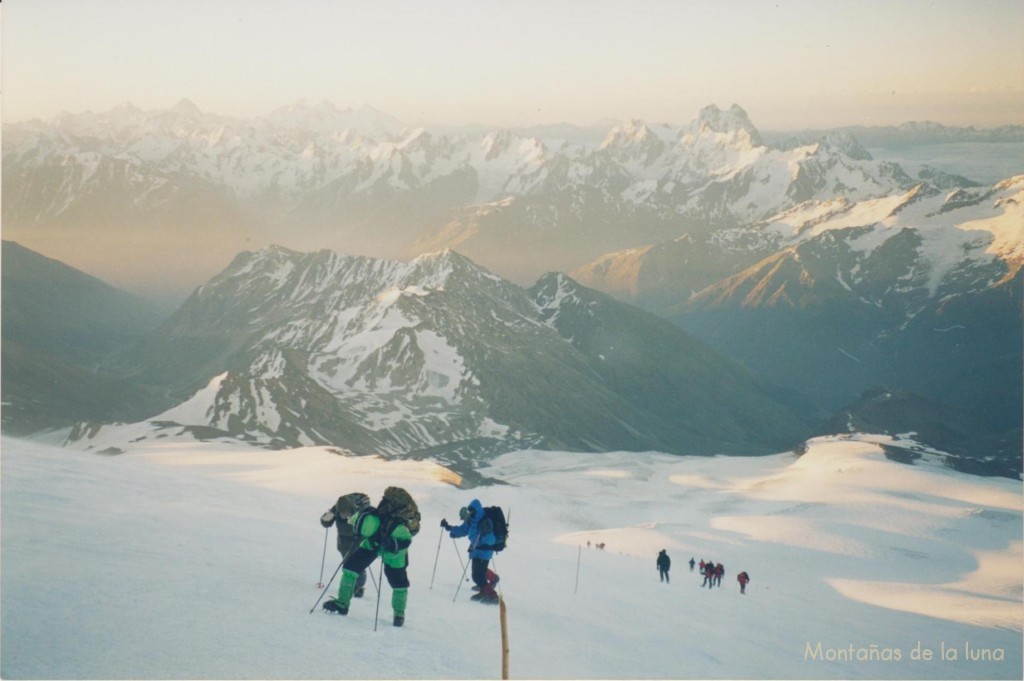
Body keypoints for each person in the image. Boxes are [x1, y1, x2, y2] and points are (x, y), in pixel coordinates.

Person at [323, 488, 418, 627]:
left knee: (396, 582)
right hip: (383, 548)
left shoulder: (390, 526)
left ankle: (398, 614)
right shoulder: (370, 520)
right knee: (397, 583)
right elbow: (404, 541)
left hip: (383, 548)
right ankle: (398, 615)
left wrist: (392, 544)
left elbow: (406, 540)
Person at [442, 499, 499, 603]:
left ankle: (492, 596)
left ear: (477, 510)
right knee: (477, 574)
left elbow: (491, 541)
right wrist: (449, 528)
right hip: (476, 551)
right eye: (470, 511)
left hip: (484, 552)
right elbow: (463, 530)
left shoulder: (485, 521)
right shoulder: (471, 521)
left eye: (472, 511)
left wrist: (486, 533)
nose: (471, 513)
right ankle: (484, 591)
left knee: (478, 576)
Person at [320, 492, 371, 598]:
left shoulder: (360, 510)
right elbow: (326, 520)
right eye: (342, 513)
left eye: (346, 513)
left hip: (357, 540)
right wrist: (325, 520)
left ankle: (358, 587)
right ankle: (352, 585)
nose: (344, 516)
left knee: (357, 564)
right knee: (347, 562)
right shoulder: (336, 508)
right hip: (343, 541)